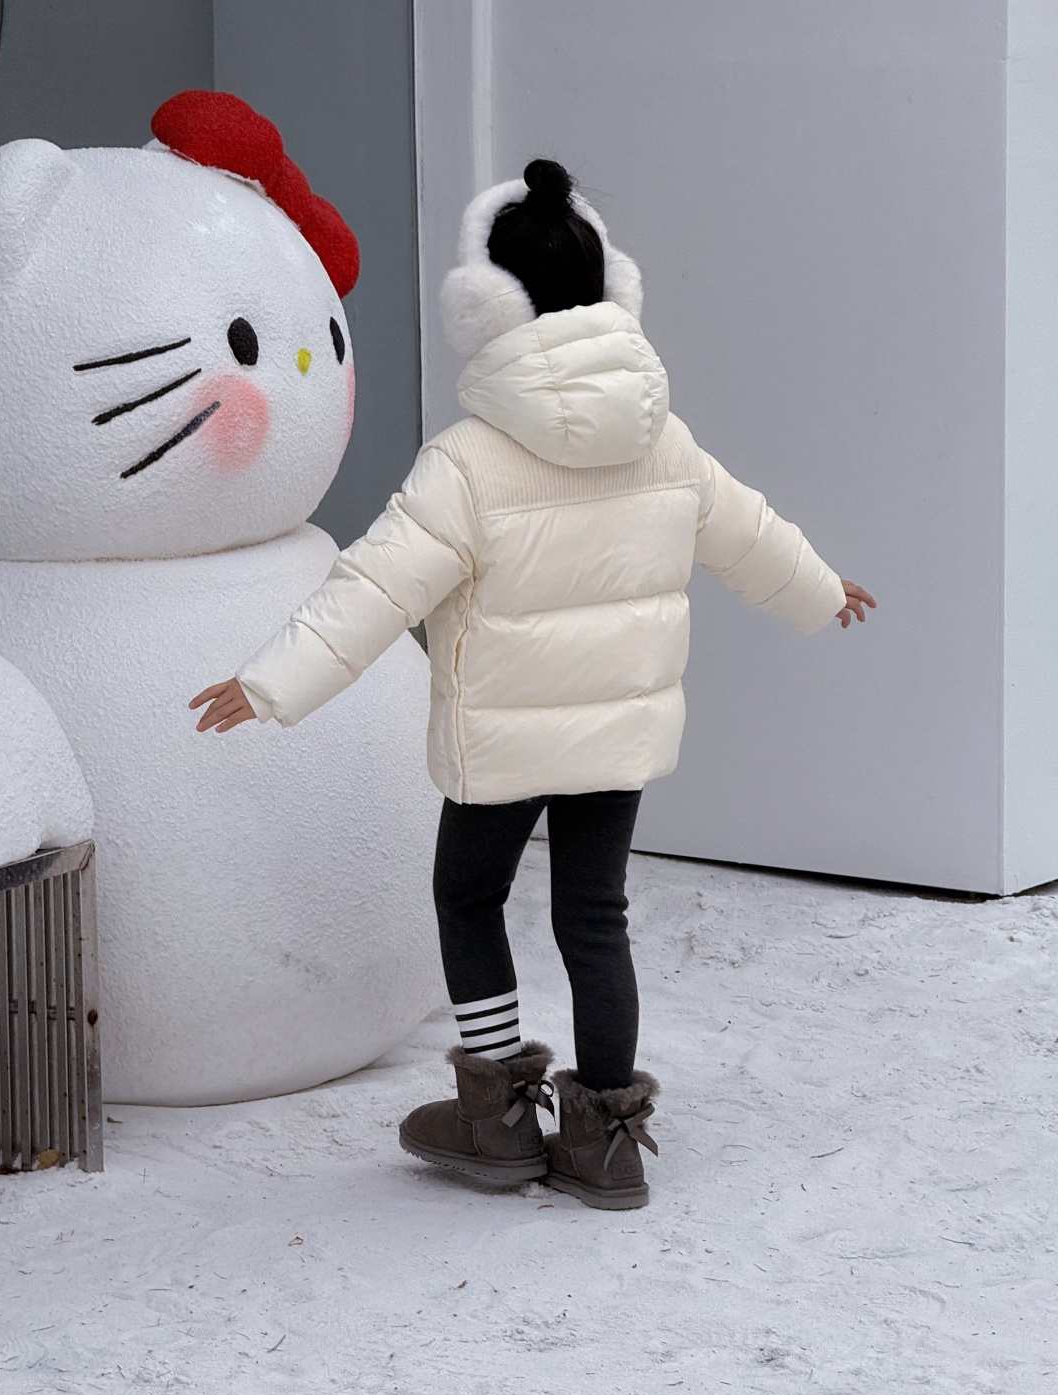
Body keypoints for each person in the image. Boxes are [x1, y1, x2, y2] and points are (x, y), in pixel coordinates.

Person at [190, 160, 874, 1210]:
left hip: (502, 743)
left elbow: (375, 585)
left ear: (489, 306)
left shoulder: (468, 462)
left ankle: (498, 1117)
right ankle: (606, 1141)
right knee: (595, 917)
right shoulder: (664, 440)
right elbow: (748, 531)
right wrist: (820, 590)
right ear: (612, 287)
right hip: (615, 738)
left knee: (470, 897)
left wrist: (271, 682)